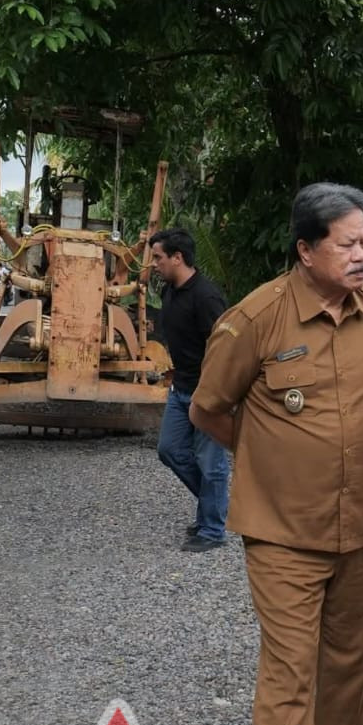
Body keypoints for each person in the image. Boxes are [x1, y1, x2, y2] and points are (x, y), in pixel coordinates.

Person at [190, 183, 363, 725]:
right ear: (306, 249)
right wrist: (270, 462)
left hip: (361, 522)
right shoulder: (254, 317)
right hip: (283, 531)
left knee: (347, 657)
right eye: (347, 243)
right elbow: (209, 409)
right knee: (289, 670)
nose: (362, 255)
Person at [148, 228, 232, 553]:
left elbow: (226, 348)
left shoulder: (207, 297)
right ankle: (215, 507)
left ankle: (213, 530)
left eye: (158, 257)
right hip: (181, 388)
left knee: (211, 463)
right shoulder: (170, 292)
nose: (154, 264)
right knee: (169, 450)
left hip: (209, 392)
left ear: (177, 257)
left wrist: (217, 393)